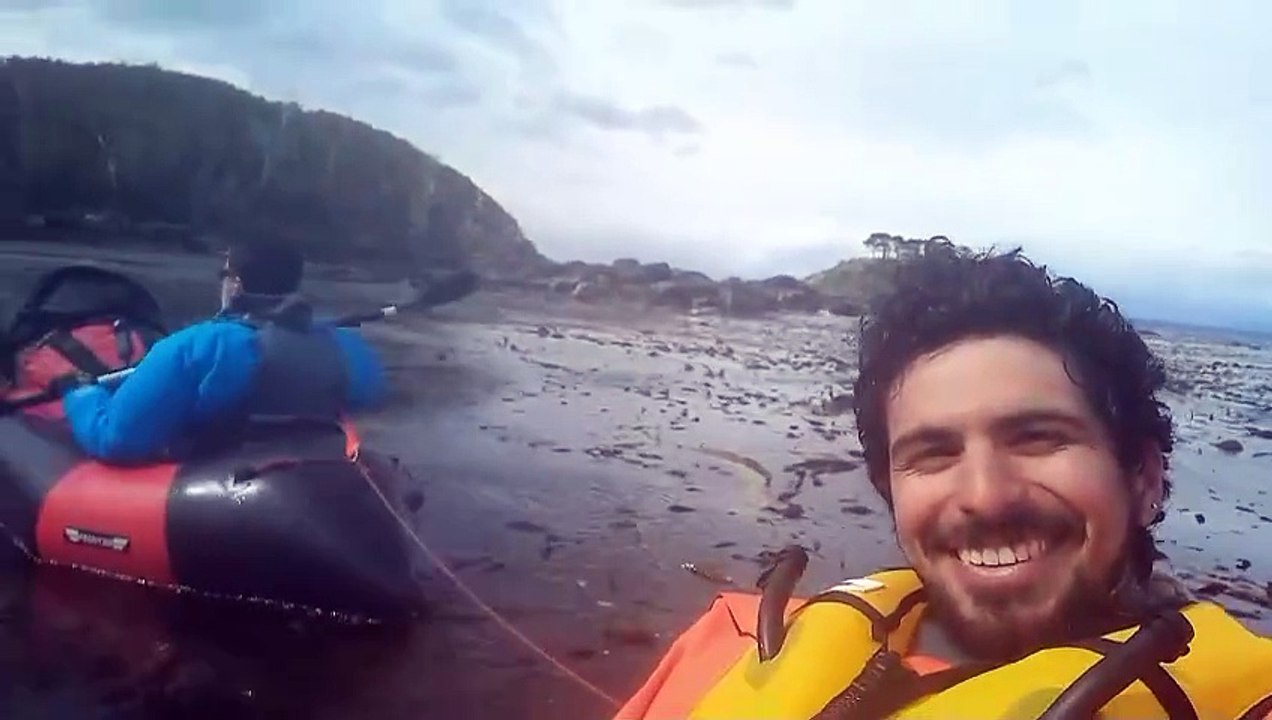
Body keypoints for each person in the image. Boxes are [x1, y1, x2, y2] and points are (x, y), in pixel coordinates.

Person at [614, 242, 1272, 719]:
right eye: (933, 452)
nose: (986, 495)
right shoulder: (736, 640)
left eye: (1039, 438)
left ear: (1143, 477)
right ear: (890, 489)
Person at [61, 239, 386, 462]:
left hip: (220, 491)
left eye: (225, 273)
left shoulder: (195, 347)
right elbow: (367, 394)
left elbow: (117, 440)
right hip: (310, 479)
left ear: (237, 284)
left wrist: (80, 394)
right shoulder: (346, 347)